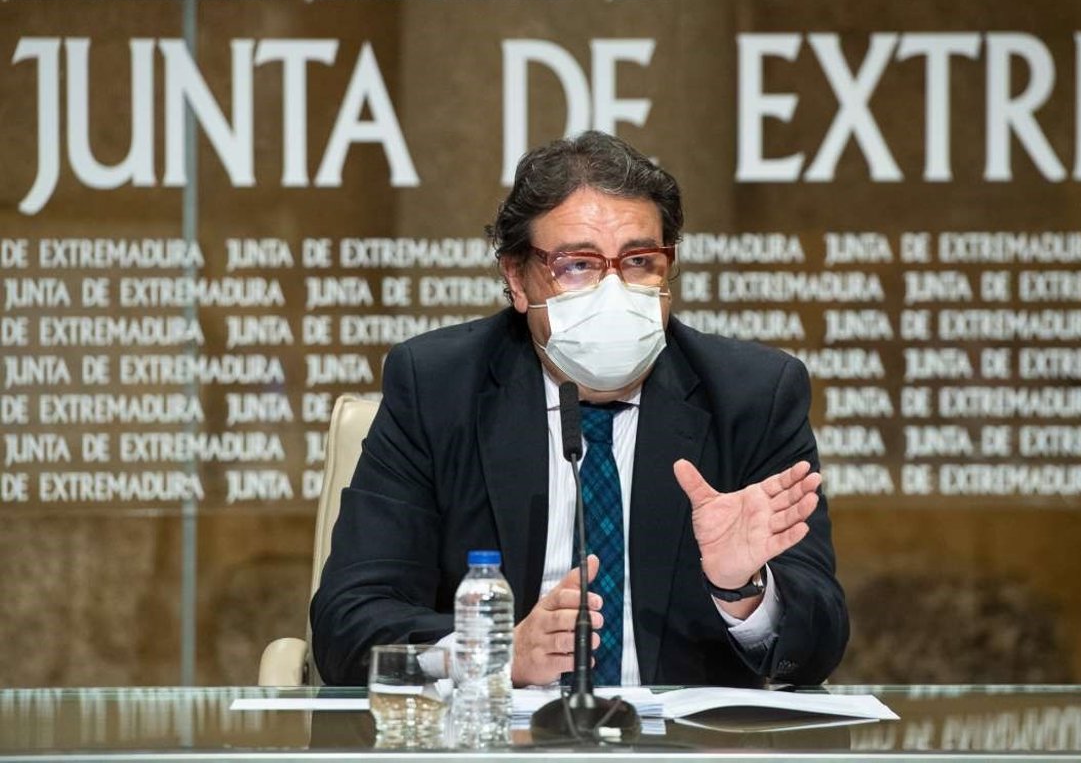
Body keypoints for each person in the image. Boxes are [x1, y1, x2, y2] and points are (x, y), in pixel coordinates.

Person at [311, 131, 849, 687]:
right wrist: (495, 652)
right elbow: (347, 625)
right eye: (576, 265)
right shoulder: (438, 389)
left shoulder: (753, 395)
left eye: (639, 261)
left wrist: (743, 589)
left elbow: (817, 650)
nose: (614, 290)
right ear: (517, 279)